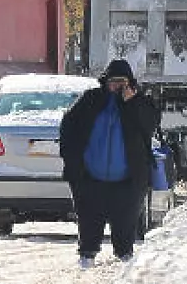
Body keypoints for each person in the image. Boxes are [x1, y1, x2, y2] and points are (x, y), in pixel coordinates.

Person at [59, 58, 160, 267]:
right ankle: (87, 254)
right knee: (89, 220)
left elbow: (149, 125)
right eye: (113, 81)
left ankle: (125, 256)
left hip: (126, 179)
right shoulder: (91, 99)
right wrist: (71, 160)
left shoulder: (141, 103)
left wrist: (132, 101)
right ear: (105, 81)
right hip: (90, 177)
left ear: (130, 82)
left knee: (125, 222)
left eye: (122, 82)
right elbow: (68, 125)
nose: (117, 86)